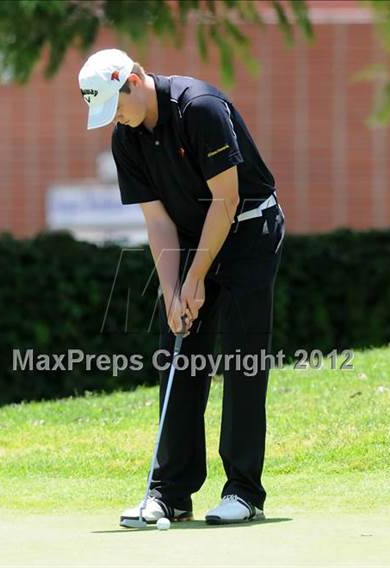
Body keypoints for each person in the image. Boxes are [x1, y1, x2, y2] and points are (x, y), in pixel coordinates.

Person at [78, 48, 285, 525]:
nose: (119, 119)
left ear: (133, 79)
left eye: (118, 104)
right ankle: (170, 492)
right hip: (192, 236)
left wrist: (196, 279)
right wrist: (174, 292)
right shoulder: (126, 138)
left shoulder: (199, 107)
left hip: (250, 230)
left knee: (243, 358)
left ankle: (243, 492)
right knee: (177, 352)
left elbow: (227, 199)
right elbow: (156, 220)